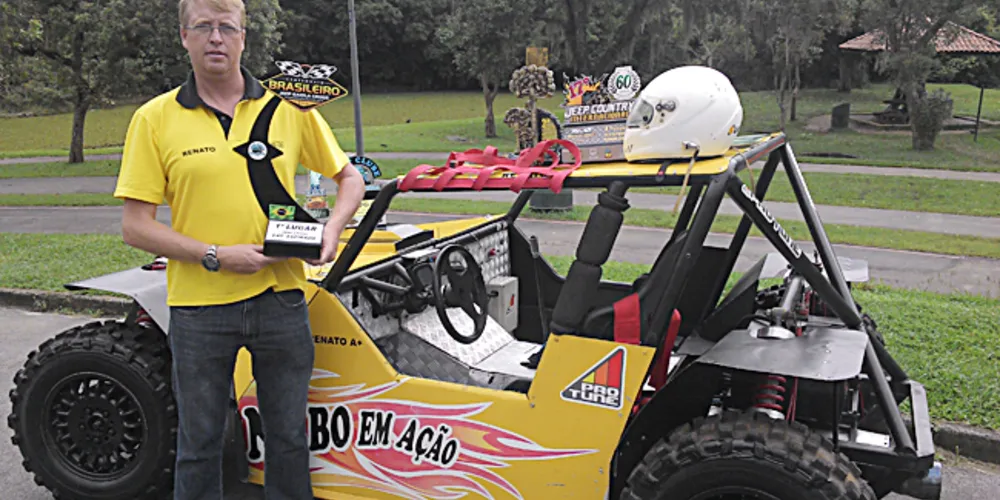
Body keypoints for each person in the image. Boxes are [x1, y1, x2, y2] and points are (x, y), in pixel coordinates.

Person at [113, 0, 364, 498]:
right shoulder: (154, 119)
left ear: (243, 38)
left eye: (227, 27)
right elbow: (136, 228)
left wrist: (332, 231)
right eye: (203, 26)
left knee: (289, 439)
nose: (216, 38)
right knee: (200, 442)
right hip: (198, 308)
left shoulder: (287, 108)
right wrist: (215, 255)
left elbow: (350, 177)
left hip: (281, 300)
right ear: (184, 36)